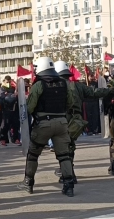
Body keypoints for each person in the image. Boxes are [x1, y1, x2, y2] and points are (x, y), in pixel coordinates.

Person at [17, 57, 76, 196]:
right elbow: (71, 102)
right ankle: (69, 185)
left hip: (43, 123)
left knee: (33, 154)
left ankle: (28, 182)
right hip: (62, 123)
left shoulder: (39, 85)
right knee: (64, 155)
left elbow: (30, 107)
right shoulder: (64, 83)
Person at [55, 61, 111, 179]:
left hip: (60, 120)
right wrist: (110, 89)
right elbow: (94, 92)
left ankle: (67, 173)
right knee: (70, 145)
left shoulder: (52, 87)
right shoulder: (77, 86)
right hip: (76, 120)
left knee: (61, 147)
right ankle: (69, 172)